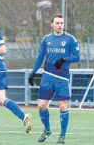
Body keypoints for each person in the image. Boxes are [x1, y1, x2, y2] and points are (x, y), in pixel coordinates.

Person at [28, 14, 80, 144]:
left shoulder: (70, 39)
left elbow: (77, 57)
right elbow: (40, 57)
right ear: (52, 24)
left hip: (62, 78)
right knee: (41, 105)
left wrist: (64, 59)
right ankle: (47, 130)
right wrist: (33, 73)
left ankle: (62, 135)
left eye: (62, 23)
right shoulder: (46, 39)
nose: (60, 25)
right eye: (57, 23)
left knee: (62, 106)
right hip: (47, 76)